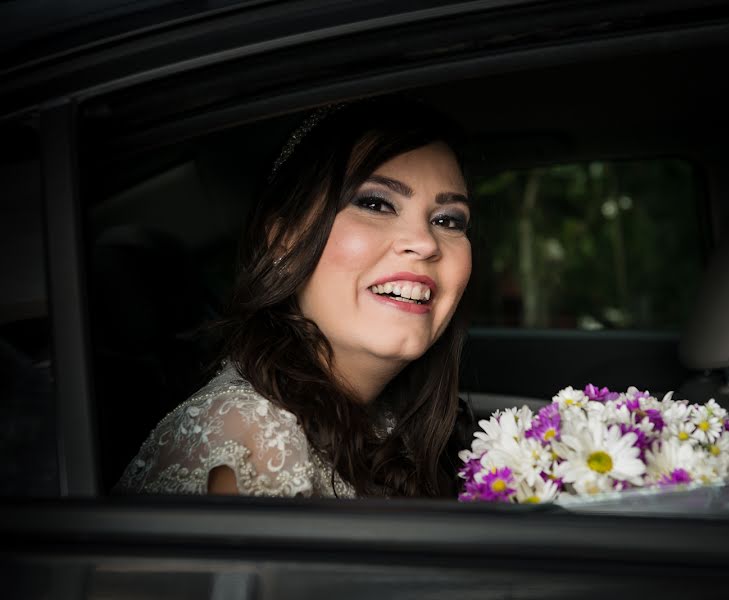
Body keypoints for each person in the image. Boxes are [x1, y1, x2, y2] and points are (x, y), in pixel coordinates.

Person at [115, 96, 474, 498]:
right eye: (375, 203)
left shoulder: (400, 424)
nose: (425, 243)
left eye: (447, 220)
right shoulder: (246, 439)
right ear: (284, 243)